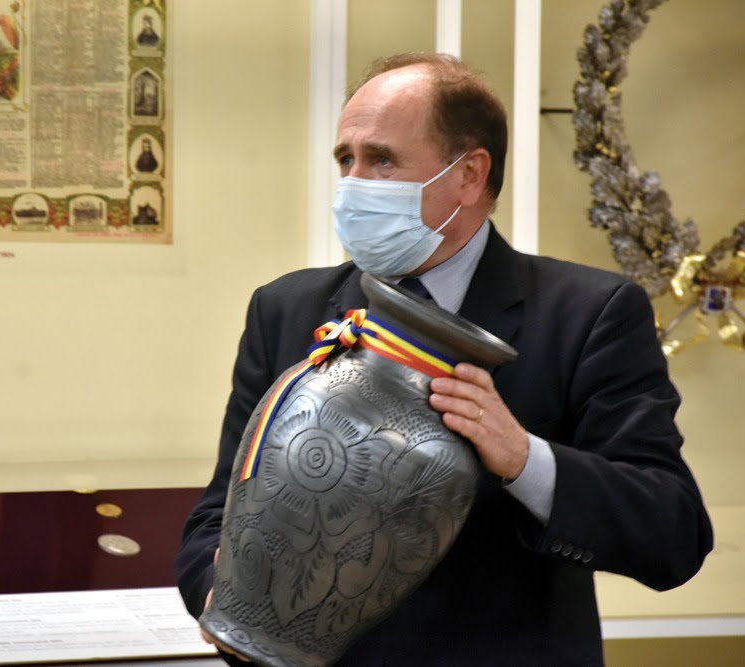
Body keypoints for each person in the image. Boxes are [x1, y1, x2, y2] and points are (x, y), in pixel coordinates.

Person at [175, 52, 712, 665]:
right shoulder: (286, 309)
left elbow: (672, 534)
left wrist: (524, 459)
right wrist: (224, 596)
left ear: (470, 175)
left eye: (381, 160)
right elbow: (217, 513)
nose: (352, 183)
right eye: (345, 159)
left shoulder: (590, 314)